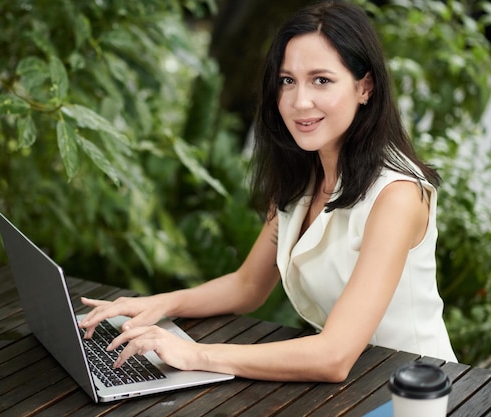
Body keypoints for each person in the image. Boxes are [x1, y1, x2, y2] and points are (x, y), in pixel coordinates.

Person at [79, 0, 457, 382]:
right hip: (357, 387)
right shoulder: (304, 175)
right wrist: (154, 306)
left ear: (365, 87)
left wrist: (196, 354)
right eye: (287, 80)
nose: (298, 101)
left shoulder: (397, 195)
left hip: (418, 392)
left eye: (321, 80)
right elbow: (248, 286)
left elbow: (334, 356)